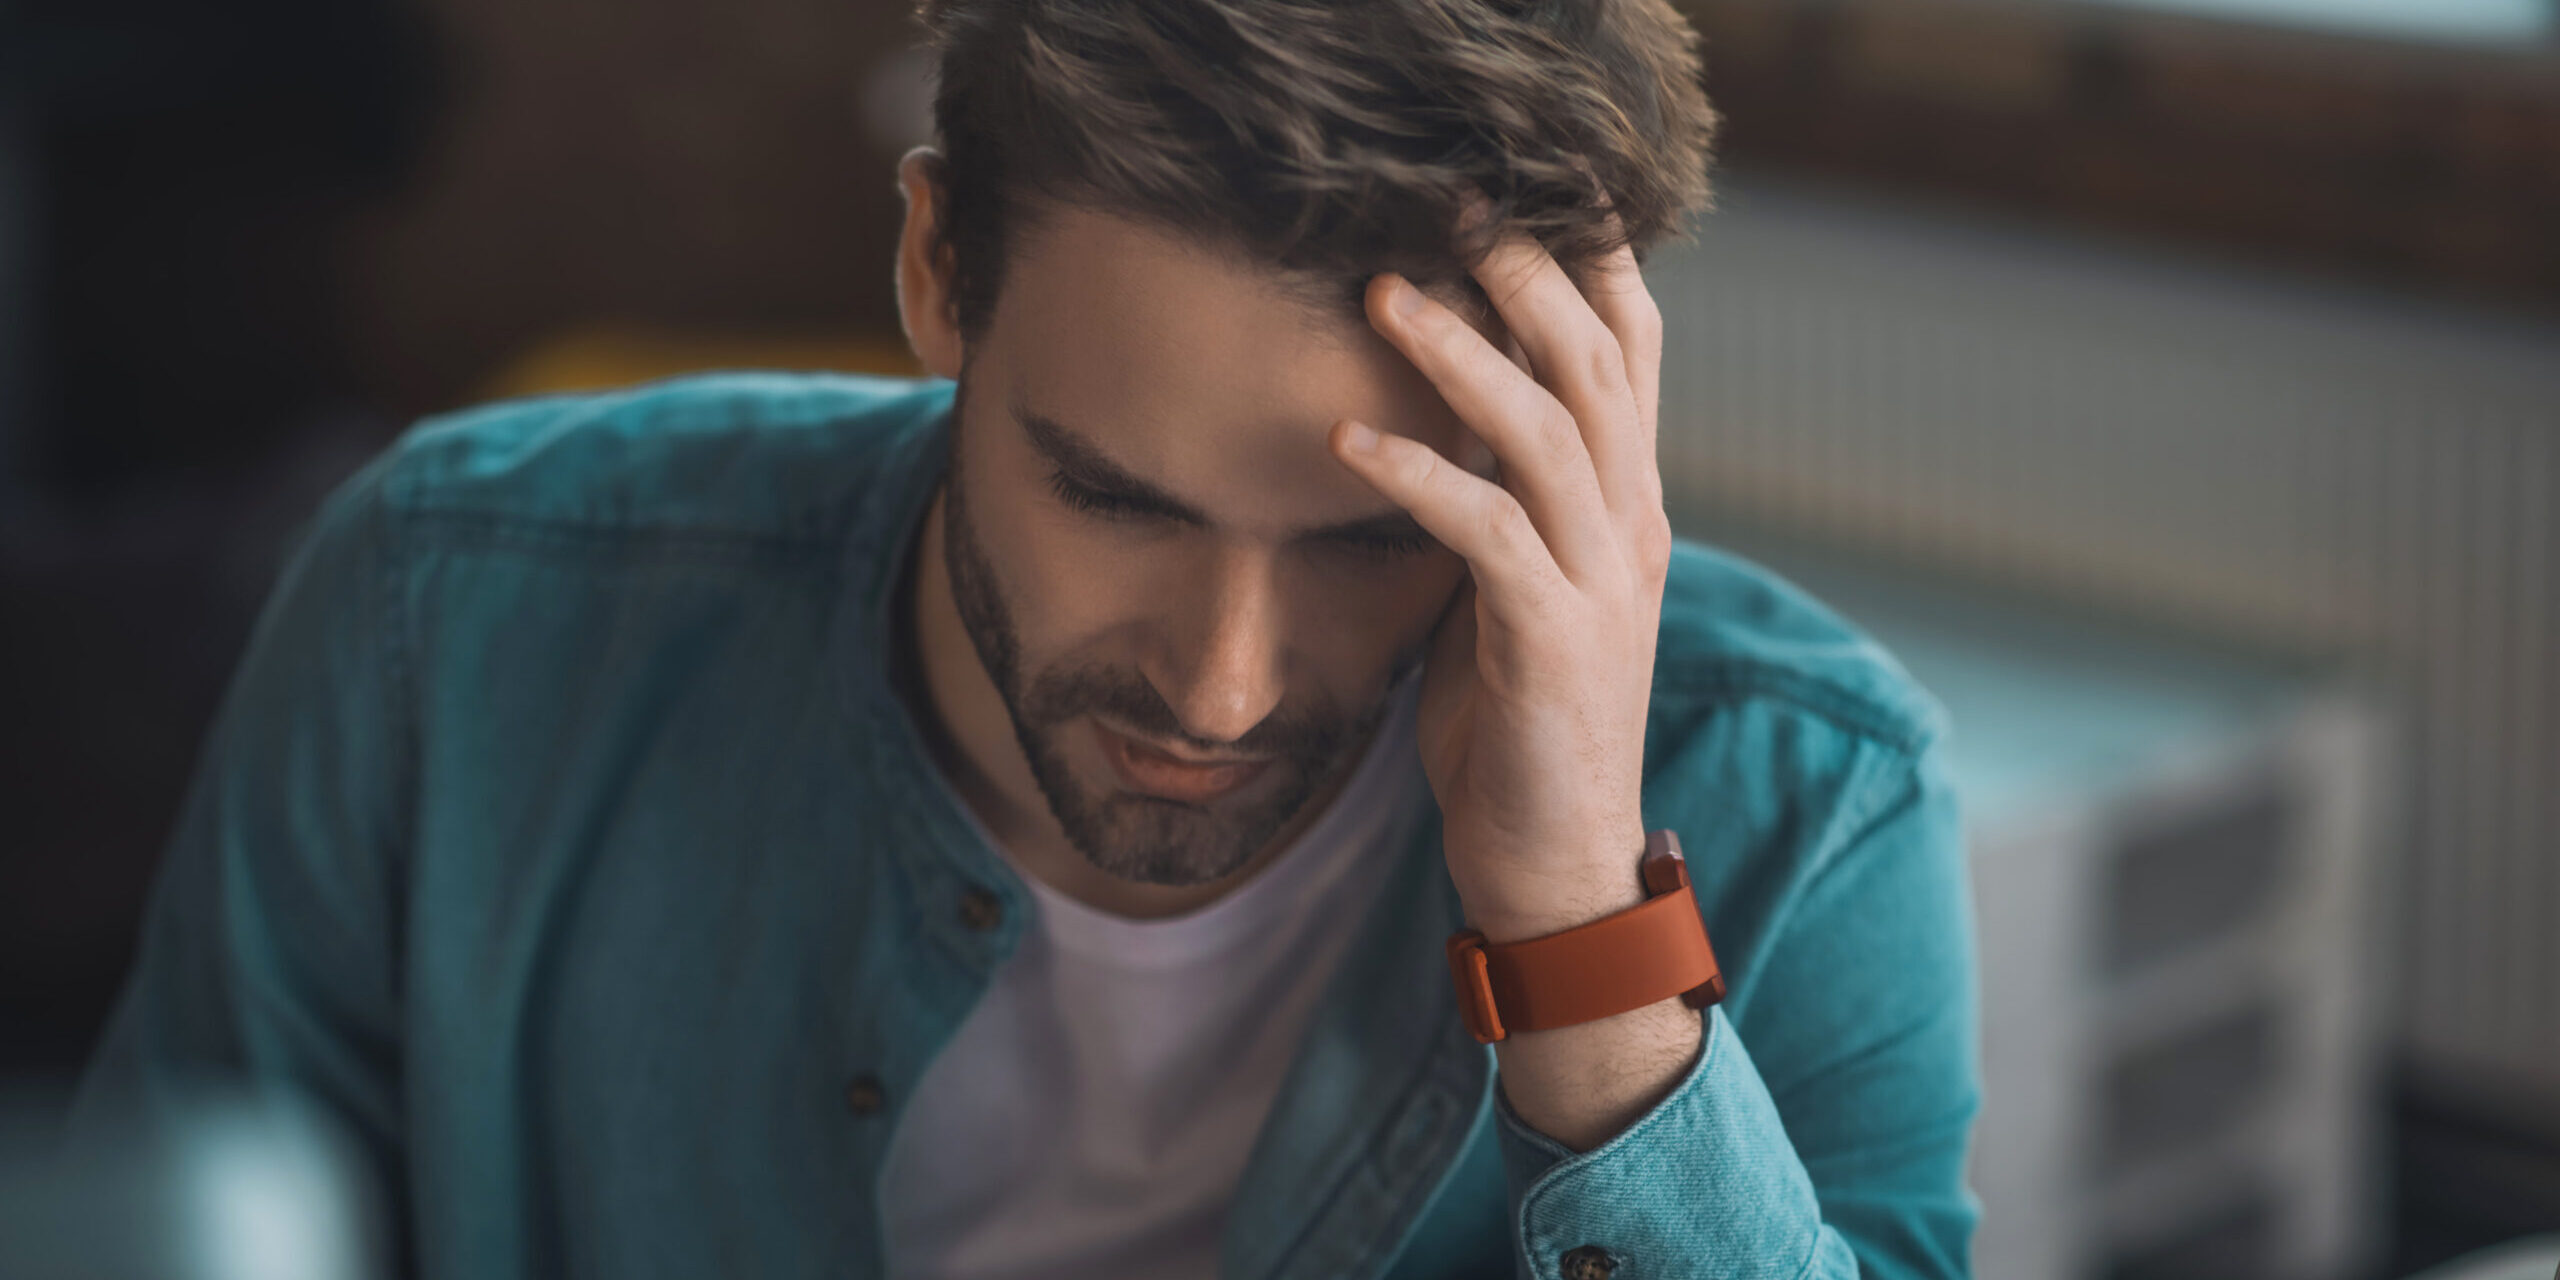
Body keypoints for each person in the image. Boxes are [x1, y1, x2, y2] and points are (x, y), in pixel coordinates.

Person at [73, 1, 1983, 1277]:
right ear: (936, 266)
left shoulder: (1811, 799)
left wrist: (1581, 945)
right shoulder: (439, 612)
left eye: (1376, 541)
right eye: (1116, 499)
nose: (1224, 687)